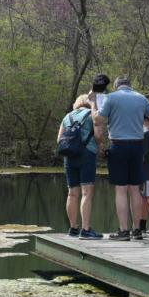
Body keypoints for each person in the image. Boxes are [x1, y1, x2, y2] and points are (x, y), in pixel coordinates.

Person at [94, 76, 149, 240]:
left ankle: (124, 231)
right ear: (130, 86)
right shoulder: (140, 97)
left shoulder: (111, 98)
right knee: (135, 189)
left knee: (121, 190)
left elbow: (98, 120)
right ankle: (137, 230)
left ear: (116, 86)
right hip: (138, 146)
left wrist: (93, 104)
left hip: (119, 146)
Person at [57, 94, 103, 239]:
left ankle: (73, 228)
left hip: (69, 157)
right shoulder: (92, 115)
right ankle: (86, 229)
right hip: (87, 154)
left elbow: (59, 139)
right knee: (86, 193)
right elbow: (99, 136)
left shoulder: (67, 117)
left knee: (72, 193)